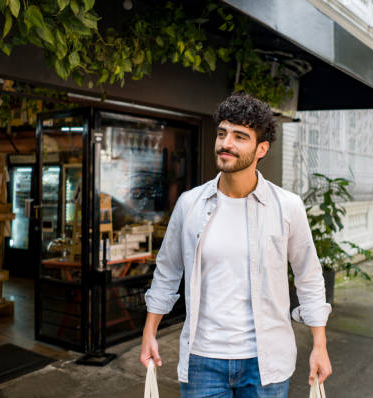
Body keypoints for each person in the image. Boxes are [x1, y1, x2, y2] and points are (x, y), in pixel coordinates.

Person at [140, 93, 332, 397]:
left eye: (240, 136)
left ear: (261, 149)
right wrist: (149, 332)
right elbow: (166, 271)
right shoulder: (190, 204)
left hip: (265, 361)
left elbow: (309, 277)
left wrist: (319, 346)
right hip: (202, 360)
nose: (225, 143)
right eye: (222, 133)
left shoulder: (287, 207)